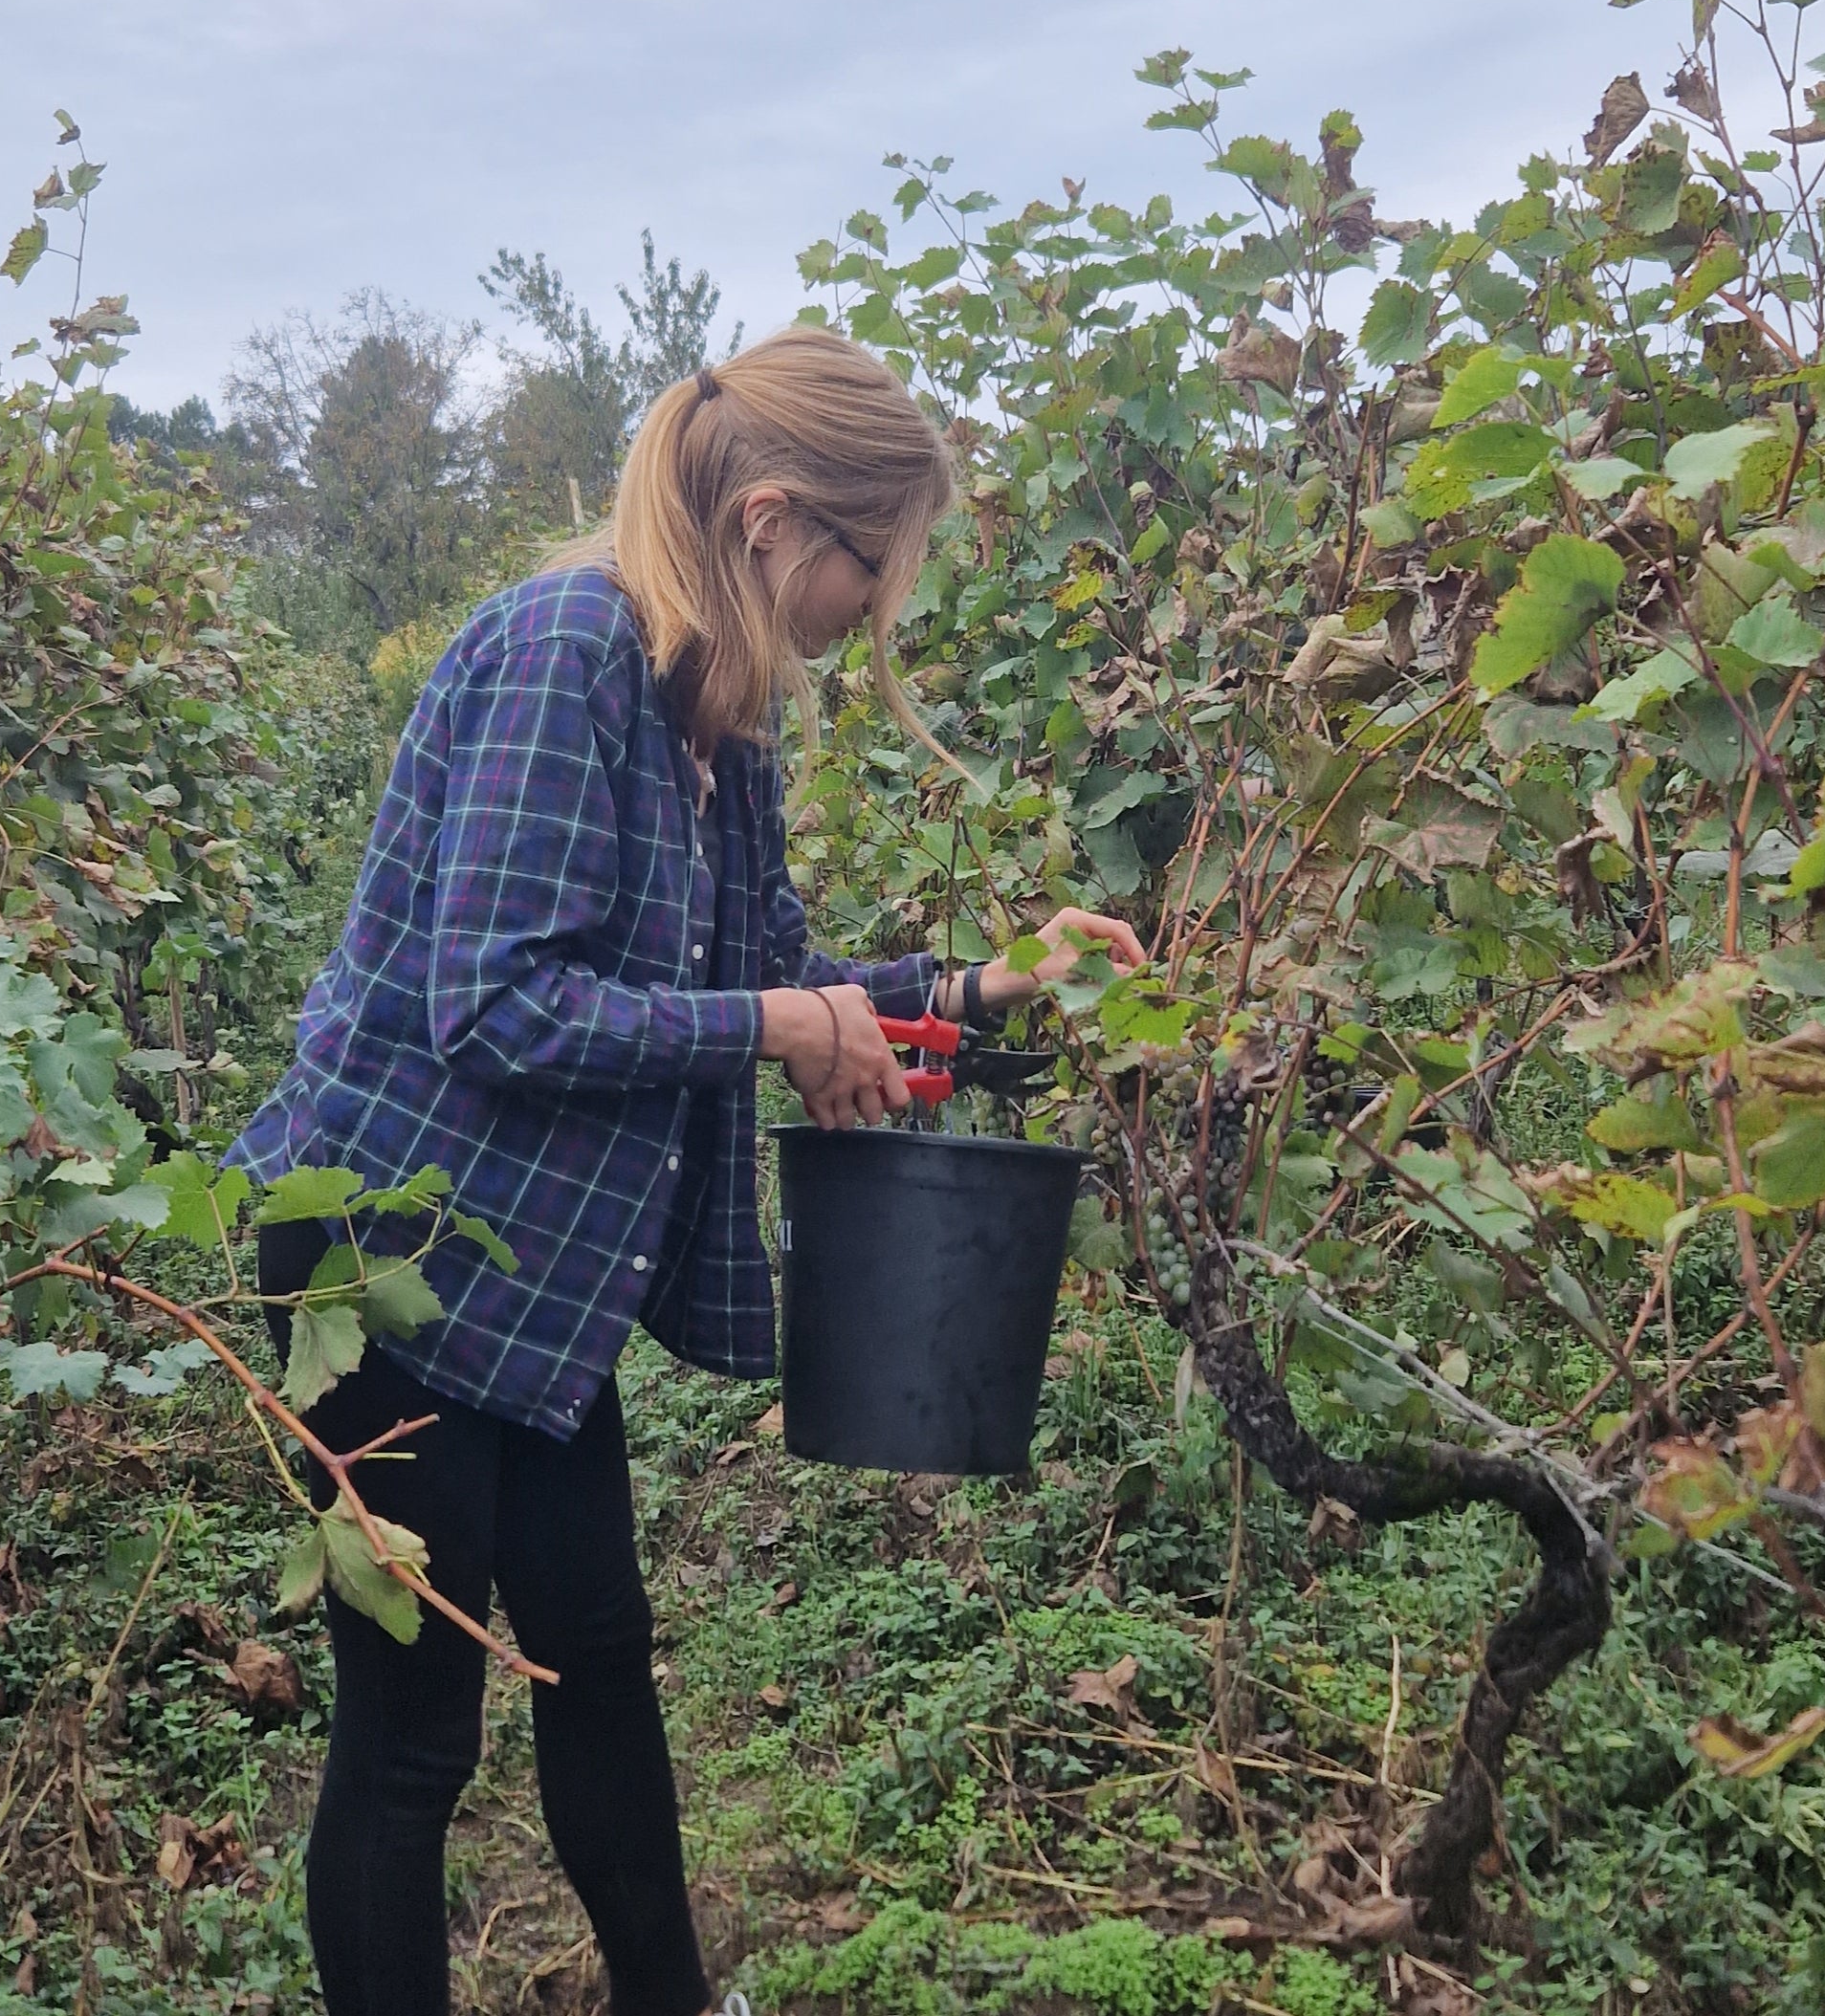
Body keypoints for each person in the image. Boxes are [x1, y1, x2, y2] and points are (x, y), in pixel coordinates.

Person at [226, 324, 1144, 2016]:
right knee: (416, 1732)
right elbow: (490, 1000)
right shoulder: (564, 650)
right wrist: (785, 1016)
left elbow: (765, 980)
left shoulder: (719, 721)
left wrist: (971, 987)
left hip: (535, 1280)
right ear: (776, 518)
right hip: (383, 1264)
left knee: (596, 1655)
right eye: (870, 575)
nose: (868, 623)